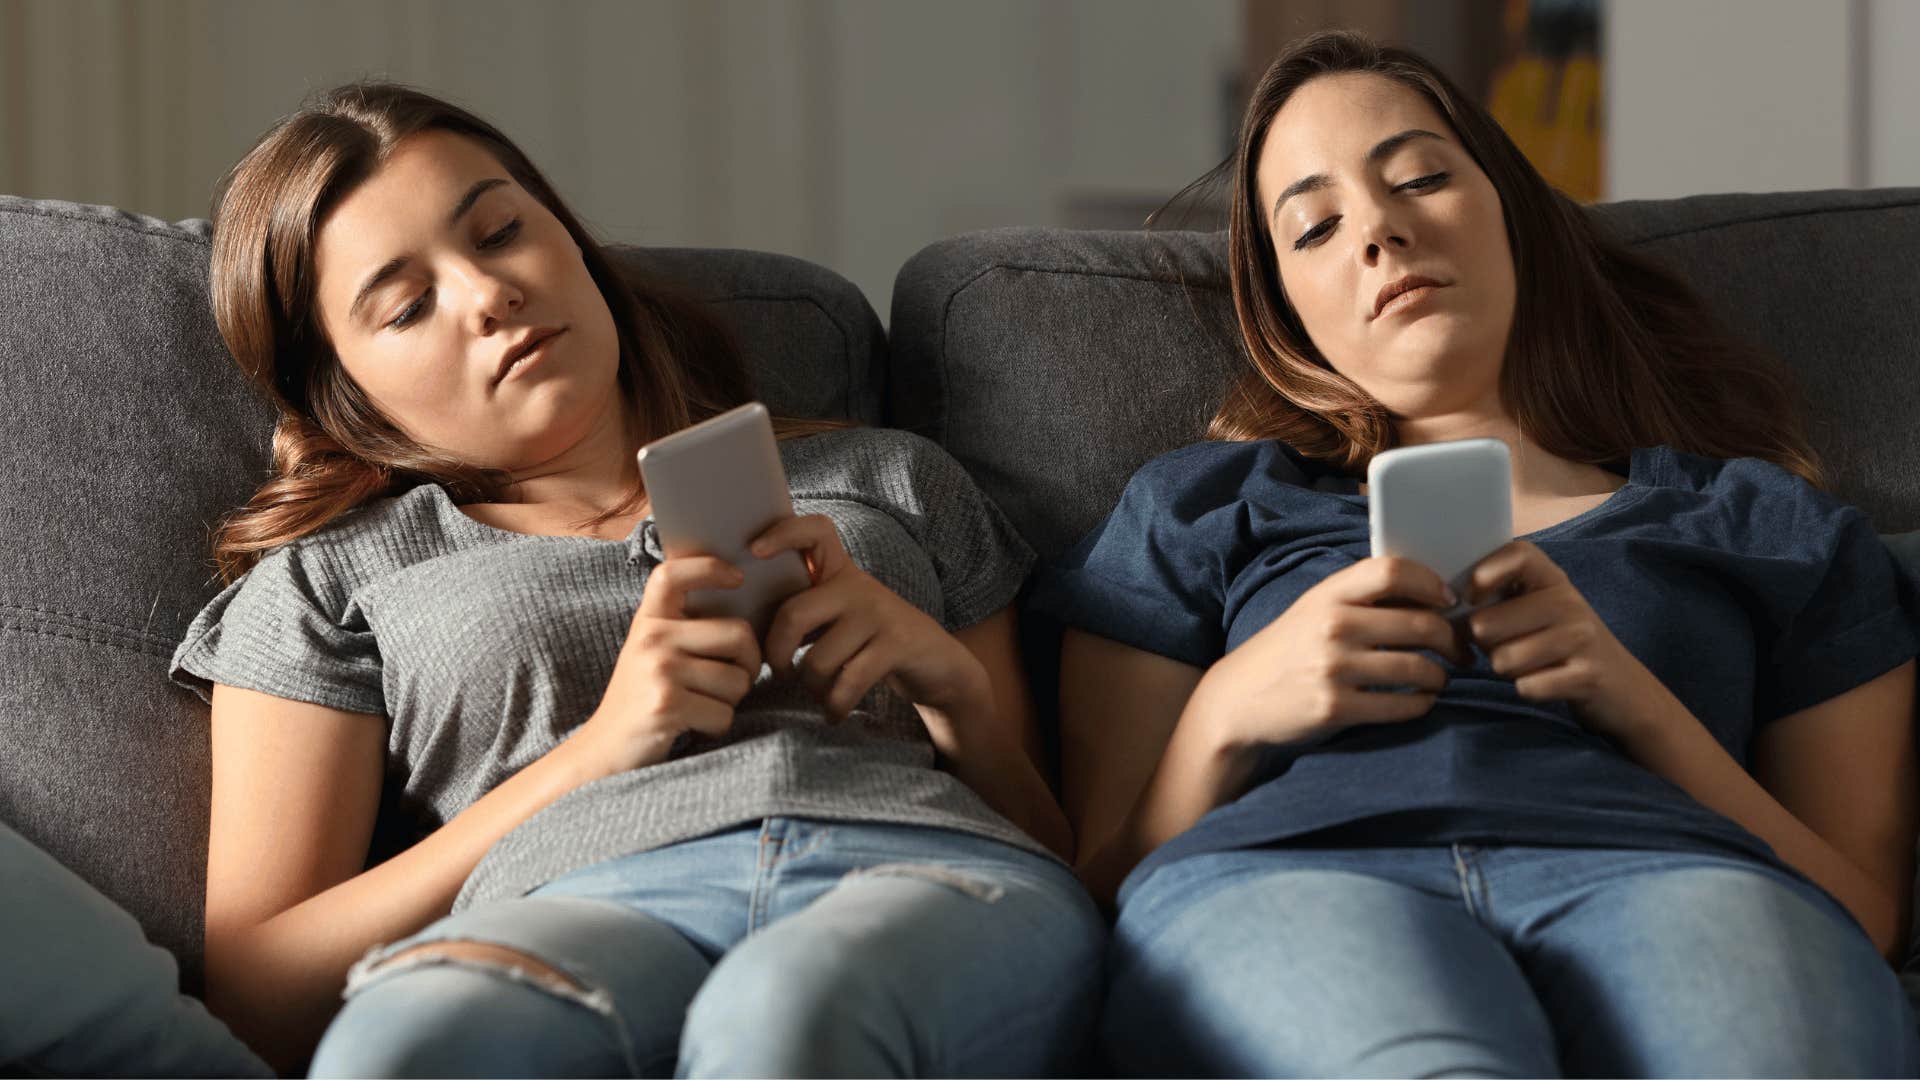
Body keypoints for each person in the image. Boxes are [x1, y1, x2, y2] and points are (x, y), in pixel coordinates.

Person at [1032, 30, 1920, 1078]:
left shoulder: (1762, 520)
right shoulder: (1202, 508)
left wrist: (1632, 701)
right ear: (1289, 313)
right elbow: (1098, 880)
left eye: (1420, 177)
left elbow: (1864, 910)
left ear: (1511, 212)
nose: (1380, 232)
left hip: (1676, 875)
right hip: (1294, 883)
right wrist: (1233, 708)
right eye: (1315, 226)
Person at [170, 81, 1102, 1078]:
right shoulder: (330, 582)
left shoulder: (890, 477)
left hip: (919, 872)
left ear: (569, 241)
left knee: (787, 1017)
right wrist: (595, 755)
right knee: (401, 1050)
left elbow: (1059, 847)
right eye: (408, 305)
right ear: (345, 389)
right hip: (572, 910)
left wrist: (954, 696)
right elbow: (257, 990)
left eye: (497, 233)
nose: (490, 296)